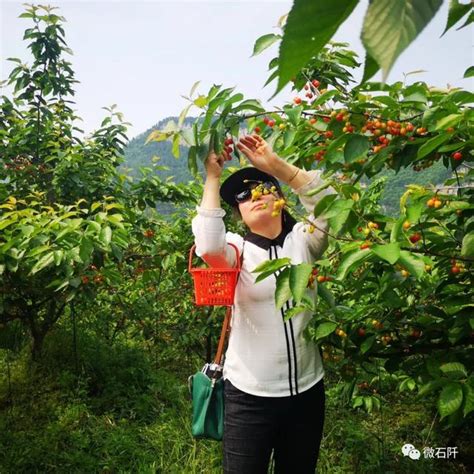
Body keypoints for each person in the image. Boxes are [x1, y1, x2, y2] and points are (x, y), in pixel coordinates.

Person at [191, 134, 337, 473]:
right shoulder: (236, 249)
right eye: (242, 196)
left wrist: (277, 168)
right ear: (239, 214)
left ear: (282, 199)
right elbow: (208, 245)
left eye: (262, 188)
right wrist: (212, 177)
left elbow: (329, 205)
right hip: (247, 397)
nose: (252, 195)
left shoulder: (305, 239)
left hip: (307, 393)